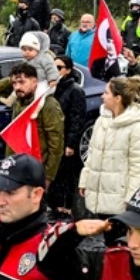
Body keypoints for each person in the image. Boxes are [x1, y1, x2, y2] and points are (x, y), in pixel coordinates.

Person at [77, 75, 140, 219]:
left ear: (118, 98)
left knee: (118, 239)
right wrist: (85, 180)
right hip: (100, 195)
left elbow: (138, 167)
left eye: (106, 93)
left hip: (120, 199)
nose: (102, 96)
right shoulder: (102, 120)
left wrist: (131, 198)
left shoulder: (137, 126)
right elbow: (92, 154)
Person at [0, 61, 66, 186]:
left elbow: (56, 144)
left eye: (22, 82)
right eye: (14, 83)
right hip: (15, 165)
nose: (17, 87)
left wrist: (48, 176)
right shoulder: (18, 99)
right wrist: (13, 78)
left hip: (35, 168)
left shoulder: (48, 104)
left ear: (35, 82)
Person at [48, 54, 88, 215]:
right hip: (54, 138)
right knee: (55, 172)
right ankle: (55, 203)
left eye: (59, 68)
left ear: (68, 70)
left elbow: (77, 119)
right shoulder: (52, 87)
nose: (56, 71)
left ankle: (68, 205)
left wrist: (71, 143)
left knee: (67, 174)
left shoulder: (75, 91)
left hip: (66, 138)